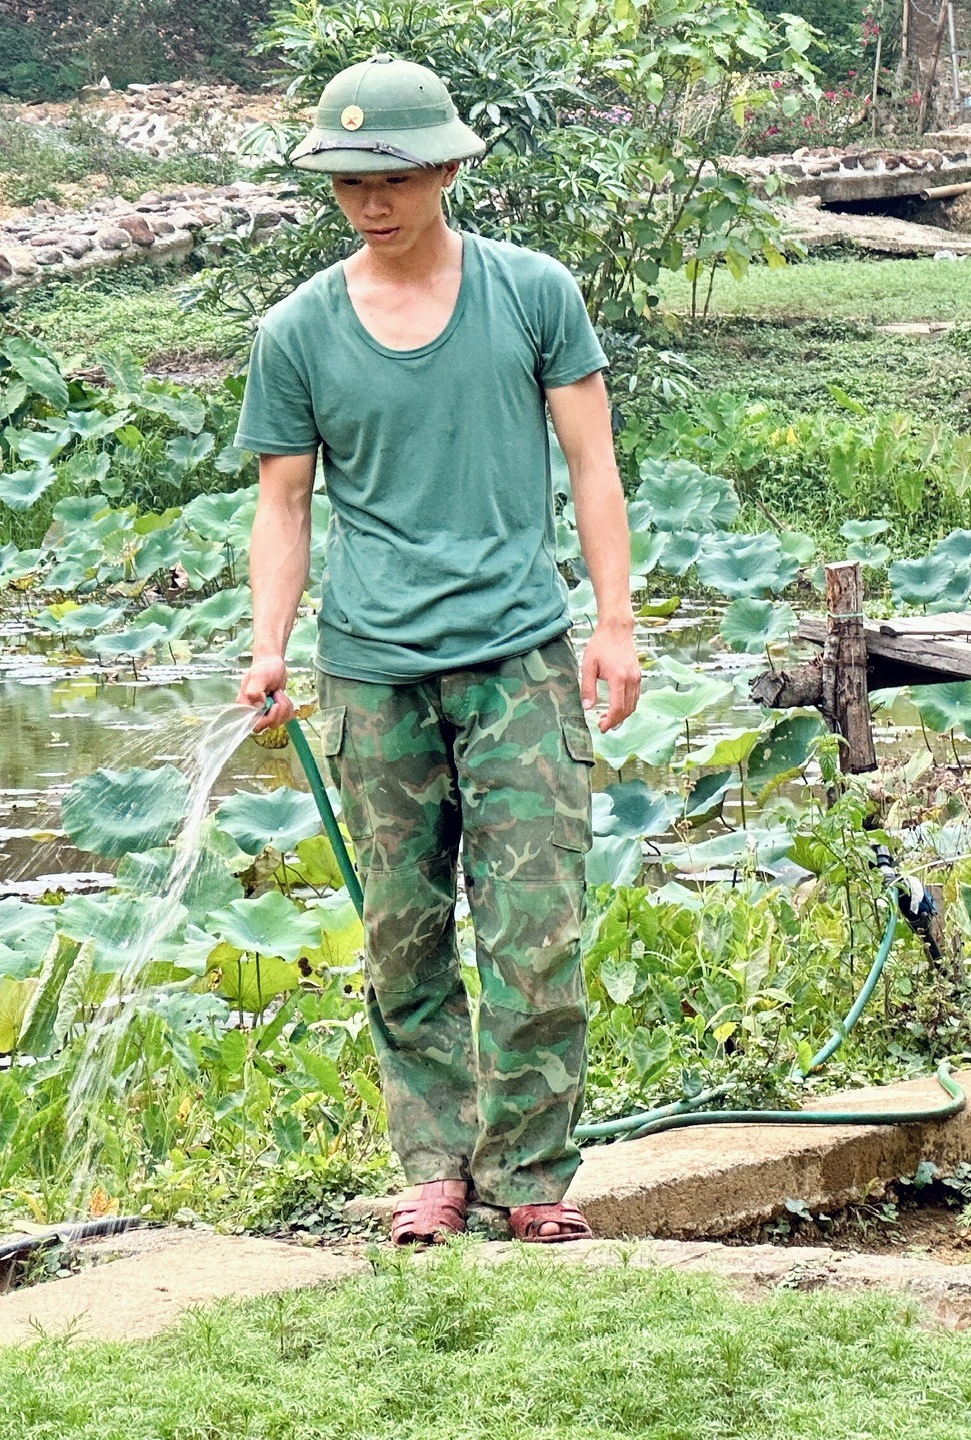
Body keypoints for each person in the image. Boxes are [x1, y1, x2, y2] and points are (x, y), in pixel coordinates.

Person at [233, 55, 642, 1245]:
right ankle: (432, 1165)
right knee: (401, 929)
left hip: (518, 653)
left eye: (399, 173)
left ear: (452, 167)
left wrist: (613, 626)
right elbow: (285, 503)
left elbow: (593, 466)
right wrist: (267, 645)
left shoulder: (531, 294)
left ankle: (530, 1180)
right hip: (371, 668)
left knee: (535, 921)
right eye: (353, 177)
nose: (375, 199)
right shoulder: (297, 330)